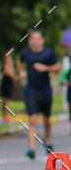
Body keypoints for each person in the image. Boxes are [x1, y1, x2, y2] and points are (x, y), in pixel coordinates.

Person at [19, 29, 61, 158]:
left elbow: (58, 67)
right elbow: (19, 61)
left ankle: (47, 141)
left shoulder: (49, 53)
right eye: (33, 39)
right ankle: (31, 149)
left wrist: (46, 68)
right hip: (31, 91)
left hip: (45, 91)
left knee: (47, 120)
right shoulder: (26, 53)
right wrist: (21, 71)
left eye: (38, 38)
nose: (35, 41)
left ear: (42, 40)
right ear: (30, 41)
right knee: (32, 119)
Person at [1, 47, 19, 122]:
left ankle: (5, 115)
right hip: (7, 80)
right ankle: (5, 116)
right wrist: (13, 77)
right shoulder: (7, 58)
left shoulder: (10, 59)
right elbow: (6, 71)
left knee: (7, 99)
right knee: (5, 99)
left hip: (9, 80)